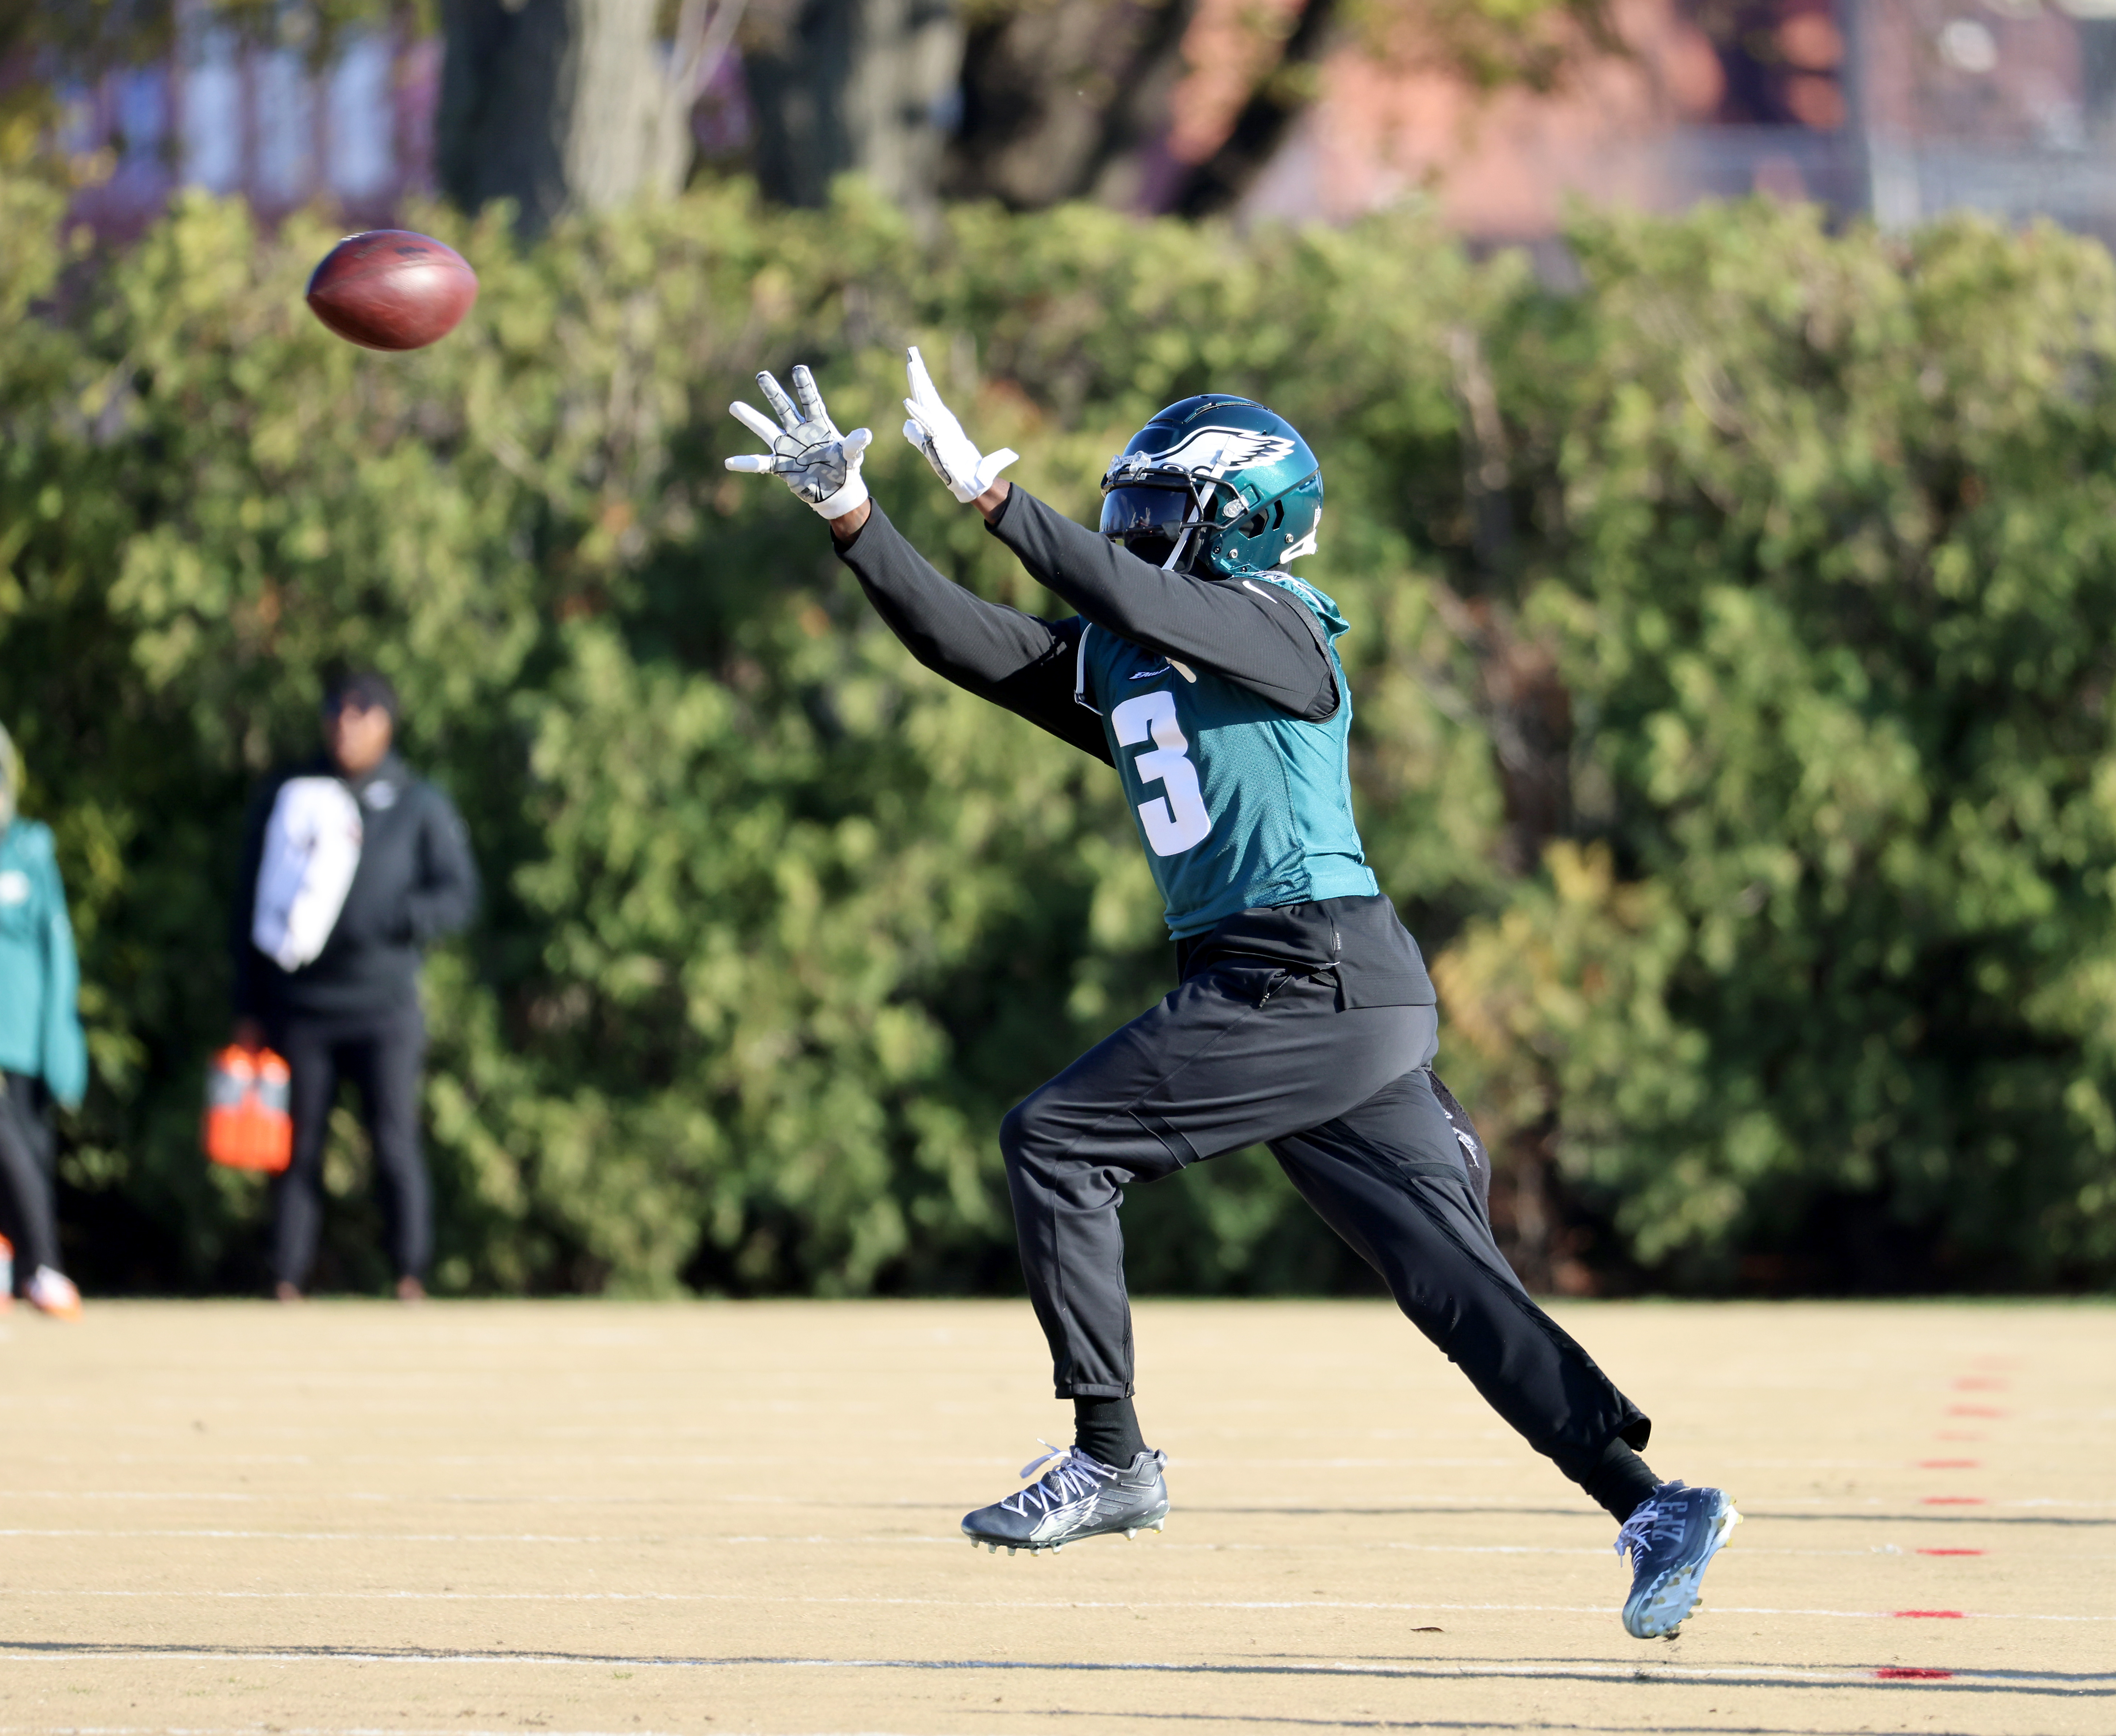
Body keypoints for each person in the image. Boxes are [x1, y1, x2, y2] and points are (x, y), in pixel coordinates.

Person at [721, 352, 1740, 1640]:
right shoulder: (1133, 649)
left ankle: (1110, 1454)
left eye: (1159, 510)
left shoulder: (1280, 625)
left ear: (1240, 515)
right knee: (1452, 1289)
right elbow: (969, 645)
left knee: (1055, 1138)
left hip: (1302, 972)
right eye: (1130, 510)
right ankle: (1653, 1503)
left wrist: (996, 505)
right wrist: (852, 519)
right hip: (1311, 992)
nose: (1132, 531)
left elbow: (1108, 590)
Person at [230, 671, 477, 1303]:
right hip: (302, 1006)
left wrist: (394, 920)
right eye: (337, 713)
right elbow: (248, 903)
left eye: (361, 715)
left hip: (385, 1007)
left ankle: (410, 1274)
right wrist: (249, 1005)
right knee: (297, 1148)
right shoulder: (291, 796)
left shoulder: (418, 801)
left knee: (393, 1144)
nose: (346, 726)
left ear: (386, 723)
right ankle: (285, 1277)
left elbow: (458, 896)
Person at [0, 721, 87, 1320]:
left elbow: (58, 949)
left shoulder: (31, 850)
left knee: (26, 1153)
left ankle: (33, 1269)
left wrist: (63, 1036)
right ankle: (43, 1264)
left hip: (23, 1034)